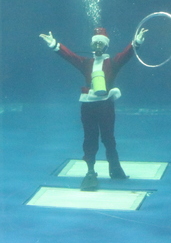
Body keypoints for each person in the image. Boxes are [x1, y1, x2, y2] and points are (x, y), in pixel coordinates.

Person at [39, 26, 147, 191]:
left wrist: (136, 42)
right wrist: (55, 45)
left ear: (106, 46)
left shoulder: (112, 63)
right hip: (88, 105)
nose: (97, 46)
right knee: (90, 138)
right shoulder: (86, 63)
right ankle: (90, 171)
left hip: (105, 105)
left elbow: (126, 55)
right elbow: (70, 57)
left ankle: (115, 168)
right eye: (95, 43)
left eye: (100, 44)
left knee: (108, 138)